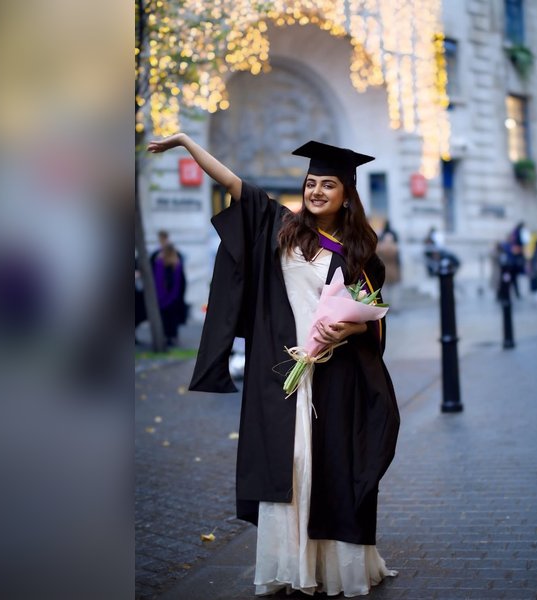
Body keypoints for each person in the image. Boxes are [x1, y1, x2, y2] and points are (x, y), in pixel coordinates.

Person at [147, 134, 400, 597]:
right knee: (290, 469)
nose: (317, 191)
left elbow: (375, 314)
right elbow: (233, 183)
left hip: (334, 378)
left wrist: (352, 330)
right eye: (311, 182)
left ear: (346, 195)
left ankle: (333, 567)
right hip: (284, 375)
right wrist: (186, 142)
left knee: (329, 469)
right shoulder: (282, 227)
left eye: (328, 184)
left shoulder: (360, 251)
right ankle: (290, 566)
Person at [152, 242, 187, 345]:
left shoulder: (174, 264)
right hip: (170, 296)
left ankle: (169, 337)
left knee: (169, 319)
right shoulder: (162, 263)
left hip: (169, 297)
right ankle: (170, 337)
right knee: (169, 319)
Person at [376, 221, 401, 309]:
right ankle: (394, 306)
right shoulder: (395, 248)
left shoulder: (379, 247)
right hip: (393, 269)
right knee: (393, 290)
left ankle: (385, 306)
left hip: (384, 269)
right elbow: (398, 259)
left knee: (385, 290)